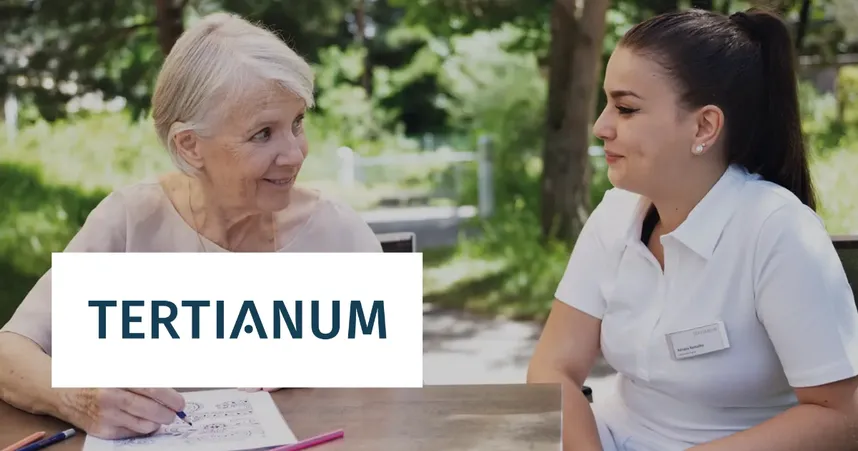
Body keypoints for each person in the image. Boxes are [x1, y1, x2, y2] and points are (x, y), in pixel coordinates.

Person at [0, 12, 381, 439]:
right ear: (190, 145)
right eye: (263, 134)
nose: (295, 154)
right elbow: (9, 353)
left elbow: (399, 397)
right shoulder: (130, 221)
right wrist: (78, 397)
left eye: (296, 123)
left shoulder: (338, 235)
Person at [527, 7, 858, 451]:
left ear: (704, 125)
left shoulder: (777, 231)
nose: (600, 126)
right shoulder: (615, 214)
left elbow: (841, 416)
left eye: (625, 108)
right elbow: (553, 370)